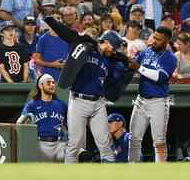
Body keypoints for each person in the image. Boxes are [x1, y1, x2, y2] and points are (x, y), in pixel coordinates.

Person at [44, 17, 132, 163]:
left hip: (98, 103)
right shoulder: (85, 46)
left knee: (104, 143)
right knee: (74, 144)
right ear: (104, 42)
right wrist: (50, 20)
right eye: (112, 46)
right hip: (79, 101)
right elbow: (67, 33)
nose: (113, 50)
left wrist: (127, 63)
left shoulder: (109, 60)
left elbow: (123, 63)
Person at [127, 26, 177, 162]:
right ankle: (132, 170)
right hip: (141, 99)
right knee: (134, 138)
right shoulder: (146, 52)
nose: (154, 41)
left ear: (167, 41)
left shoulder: (170, 58)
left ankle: (160, 173)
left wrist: (138, 67)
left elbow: (160, 77)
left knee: (159, 141)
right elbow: (131, 66)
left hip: (158, 102)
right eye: (154, 37)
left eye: (159, 39)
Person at [17, 73, 67, 162]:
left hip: (59, 144)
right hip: (40, 144)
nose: (52, 85)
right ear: (40, 86)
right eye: (48, 83)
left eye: (53, 82)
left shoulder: (61, 104)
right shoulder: (32, 104)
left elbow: (70, 125)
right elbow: (19, 123)